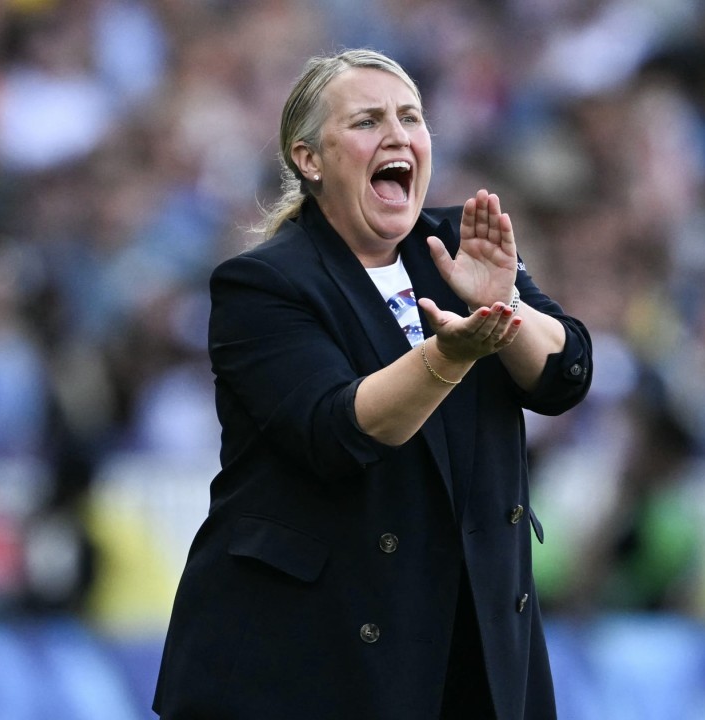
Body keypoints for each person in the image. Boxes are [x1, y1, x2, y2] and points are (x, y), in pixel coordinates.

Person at [152, 49, 592, 719]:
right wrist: (453, 351)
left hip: (471, 647)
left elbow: (563, 374)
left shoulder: (456, 242)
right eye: (366, 121)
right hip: (307, 661)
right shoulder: (263, 285)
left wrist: (506, 307)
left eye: (410, 117)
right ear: (309, 159)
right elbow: (341, 430)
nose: (397, 135)